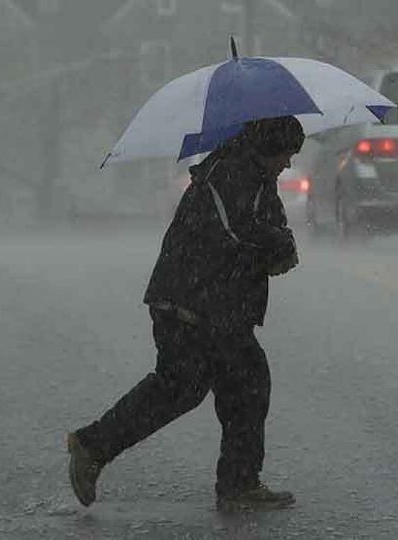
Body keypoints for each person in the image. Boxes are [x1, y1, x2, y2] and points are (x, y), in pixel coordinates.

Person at [67, 115, 305, 511]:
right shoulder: (228, 171)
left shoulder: (256, 176)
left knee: (233, 386)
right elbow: (237, 228)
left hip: (218, 305)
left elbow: (271, 226)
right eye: (286, 154)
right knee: (193, 386)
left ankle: (237, 485)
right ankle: (93, 445)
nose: (289, 164)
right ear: (268, 147)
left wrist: (283, 247)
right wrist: (274, 246)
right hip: (191, 302)